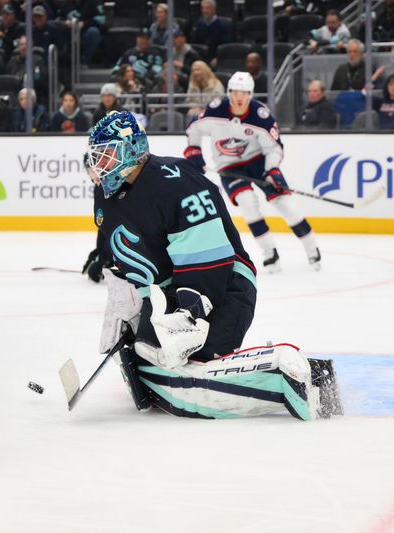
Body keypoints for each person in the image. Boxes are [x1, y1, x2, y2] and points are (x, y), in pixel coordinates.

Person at [85, 110, 340, 420]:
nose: (100, 163)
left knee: (187, 375)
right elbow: (125, 250)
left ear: (132, 149)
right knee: (152, 366)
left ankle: (299, 376)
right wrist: (129, 304)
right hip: (167, 298)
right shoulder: (105, 194)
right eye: (98, 155)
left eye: (108, 153)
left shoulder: (176, 182)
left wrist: (189, 312)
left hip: (225, 289)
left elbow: (209, 258)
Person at [185, 72, 322, 272]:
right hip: (229, 167)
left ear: (251, 94)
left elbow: (274, 147)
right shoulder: (216, 111)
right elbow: (194, 129)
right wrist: (194, 151)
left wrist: (272, 170)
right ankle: (269, 252)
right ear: (229, 93)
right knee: (247, 203)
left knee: (285, 205)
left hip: (259, 163)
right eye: (236, 92)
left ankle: (312, 248)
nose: (240, 98)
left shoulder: (261, 116)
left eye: (245, 93)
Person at [190, 0, 232, 66]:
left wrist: (218, 58)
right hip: (201, 58)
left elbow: (226, 46)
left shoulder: (223, 26)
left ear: (214, 9)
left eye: (208, 8)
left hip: (216, 58)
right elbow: (195, 44)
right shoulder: (199, 24)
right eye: (203, 8)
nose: (205, 11)